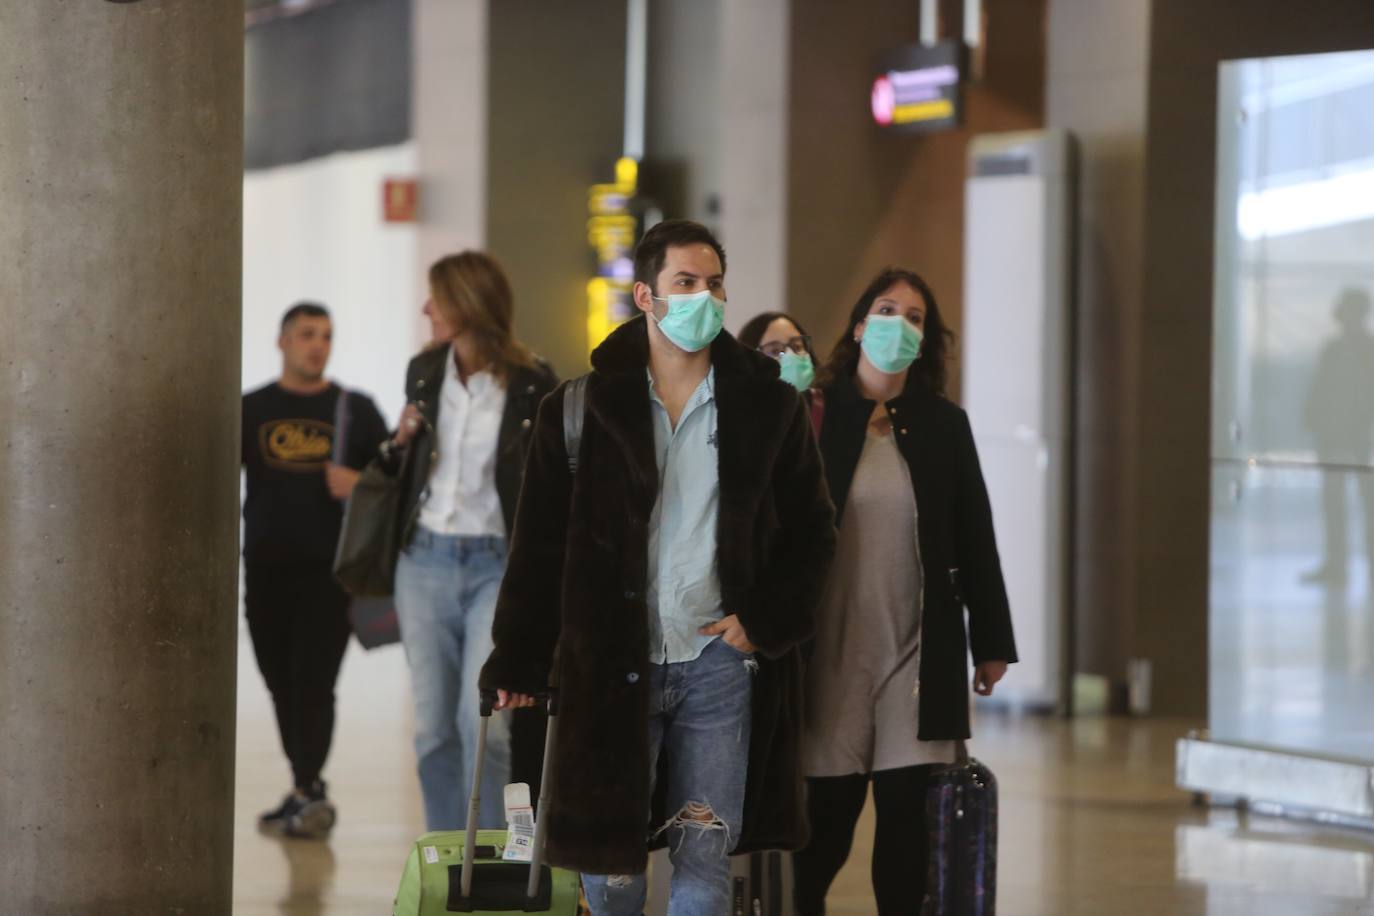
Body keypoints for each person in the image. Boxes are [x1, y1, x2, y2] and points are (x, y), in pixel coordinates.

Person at [480, 219, 837, 915]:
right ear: (645, 296)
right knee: (610, 870)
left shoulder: (767, 406)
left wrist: (762, 621)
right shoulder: (579, 408)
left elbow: (813, 530)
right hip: (611, 665)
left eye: (714, 285)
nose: (704, 297)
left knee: (704, 857)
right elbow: (539, 546)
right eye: (685, 284)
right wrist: (518, 661)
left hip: (718, 665)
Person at [792, 268, 1018, 915]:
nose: (900, 325)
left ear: (926, 339)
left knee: (905, 835)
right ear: (860, 325)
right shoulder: (816, 412)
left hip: (916, 657)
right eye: (888, 310)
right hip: (827, 656)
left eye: (915, 317)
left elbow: (976, 535)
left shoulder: (944, 425)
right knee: (823, 831)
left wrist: (993, 644)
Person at [380, 251, 557, 831]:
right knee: (432, 726)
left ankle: (483, 865)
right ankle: (442, 852)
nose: (428, 308)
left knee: (481, 720)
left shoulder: (534, 384)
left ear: (468, 305)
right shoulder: (424, 372)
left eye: (439, 299)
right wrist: (401, 437)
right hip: (424, 560)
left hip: (495, 568)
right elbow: (409, 466)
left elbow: (550, 483)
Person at [241, 301, 390, 839]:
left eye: (325, 335)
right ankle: (304, 787)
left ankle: (310, 787)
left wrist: (360, 483)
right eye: (306, 335)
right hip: (264, 571)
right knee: (279, 682)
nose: (317, 345)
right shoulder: (250, 409)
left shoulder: (356, 409)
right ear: (281, 341)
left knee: (314, 683)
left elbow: (398, 478)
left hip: (331, 577)